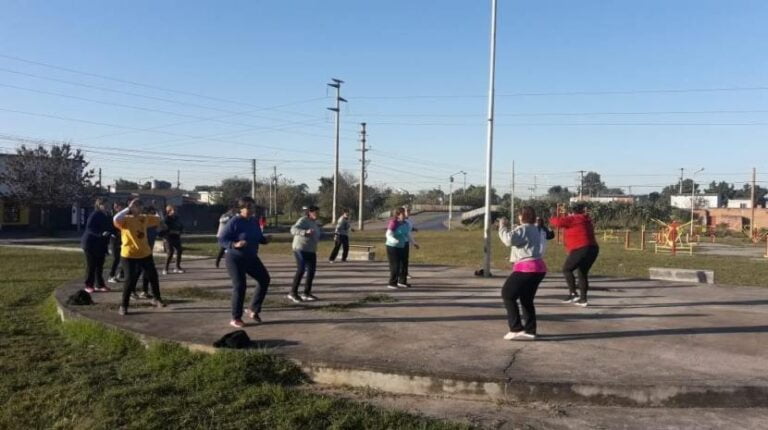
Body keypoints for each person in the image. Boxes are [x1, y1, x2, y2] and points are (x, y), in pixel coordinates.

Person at [498, 206, 552, 341]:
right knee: (526, 299)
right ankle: (530, 330)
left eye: (519, 215)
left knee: (507, 294)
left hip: (526, 267)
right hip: (538, 267)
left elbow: (508, 240)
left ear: (522, 216)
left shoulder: (523, 228)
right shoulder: (535, 228)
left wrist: (502, 227)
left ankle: (516, 328)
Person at [218, 196, 272, 328]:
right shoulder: (235, 221)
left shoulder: (254, 221)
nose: (250, 210)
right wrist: (234, 244)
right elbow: (221, 239)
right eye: (247, 208)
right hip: (235, 258)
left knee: (264, 279)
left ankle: (253, 308)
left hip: (251, 257)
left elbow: (258, 238)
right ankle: (236, 318)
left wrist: (265, 240)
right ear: (240, 209)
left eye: (252, 207)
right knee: (240, 286)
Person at [113, 198, 165, 315]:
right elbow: (115, 219)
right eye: (136, 206)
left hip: (145, 253)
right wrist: (129, 207)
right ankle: (124, 306)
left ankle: (157, 299)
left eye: (140, 206)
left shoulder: (144, 218)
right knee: (129, 279)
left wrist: (158, 209)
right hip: (129, 255)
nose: (139, 208)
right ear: (132, 207)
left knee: (153, 276)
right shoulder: (125, 220)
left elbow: (159, 219)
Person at [550, 203, 599, 307]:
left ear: (572, 212)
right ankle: (583, 299)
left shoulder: (573, 218)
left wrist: (553, 214)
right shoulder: (586, 219)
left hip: (581, 248)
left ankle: (573, 294)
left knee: (567, 269)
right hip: (593, 249)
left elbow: (556, 222)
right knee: (582, 273)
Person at [288, 205, 322, 302]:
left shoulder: (315, 223)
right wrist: (304, 232)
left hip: (311, 250)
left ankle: (306, 293)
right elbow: (293, 229)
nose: (317, 214)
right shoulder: (303, 220)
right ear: (310, 213)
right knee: (301, 269)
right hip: (300, 249)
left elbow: (316, 235)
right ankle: (292, 293)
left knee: (311, 271)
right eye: (315, 212)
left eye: (318, 212)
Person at [80, 198, 112, 293]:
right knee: (91, 265)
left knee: (100, 265)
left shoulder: (107, 215)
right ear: (99, 205)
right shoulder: (95, 215)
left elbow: (111, 227)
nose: (106, 206)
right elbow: (89, 228)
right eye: (104, 204)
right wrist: (100, 234)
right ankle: (88, 285)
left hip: (101, 245)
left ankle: (100, 284)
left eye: (107, 204)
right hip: (91, 243)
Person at [133, 206, 160, 300]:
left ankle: (144, 291)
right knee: (137, 271)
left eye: (153, 213)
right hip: (140, 251)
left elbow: (160, 220)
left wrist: (158, 210)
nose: (152, 215)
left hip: (148, 252)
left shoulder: (153, 224)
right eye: (150, 213)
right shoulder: (143, 223)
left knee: (147, 272)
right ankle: (132, 291)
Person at [385, 207, 411, 289]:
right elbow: (388, 234)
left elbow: (407, 234)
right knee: (395, 265)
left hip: (401, 246)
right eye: (402, 214)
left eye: (404, 213)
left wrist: (414, 243)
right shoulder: (394, 222)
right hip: (392, 247)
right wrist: (393, 240)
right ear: (398, 215)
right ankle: (392, 283)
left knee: (403, 264)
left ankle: (402, 282)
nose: (404, 215)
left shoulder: (405, 223)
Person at [162, 205, 184, 275]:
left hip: (176, 237)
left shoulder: (177, 218)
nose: (175, 211)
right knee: (170, 252)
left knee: (179, 250)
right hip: (168, 238)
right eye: (174, 210)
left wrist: (180, 231)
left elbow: (181, 226)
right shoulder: (166, 219)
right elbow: (164, 229)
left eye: (176, 210)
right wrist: (171, 231)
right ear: (169, 211)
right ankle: (165, 269)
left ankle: (177, 267)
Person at [107, 201, 125, 283]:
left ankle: (121, 273)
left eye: (119, 206)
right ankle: (111, 275)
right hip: (114, 239)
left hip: (122, 239)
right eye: (116, 206)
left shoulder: (124, 216)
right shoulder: (112, 216)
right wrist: (116, 233)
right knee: (116, 258)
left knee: (123, 257)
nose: (118, 207)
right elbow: (110, 228)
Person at [402, 206, 420, 280]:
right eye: (406, 211)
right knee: (401, 260)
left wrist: (414, 229)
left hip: (406, 242)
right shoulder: (400, 221)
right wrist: (414, 243)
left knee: (405, 259)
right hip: (400, 243)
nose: (408, 212)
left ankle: (405, 273)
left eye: (409, 211)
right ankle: (402, 274)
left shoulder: (408, 220)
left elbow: (409, 229)